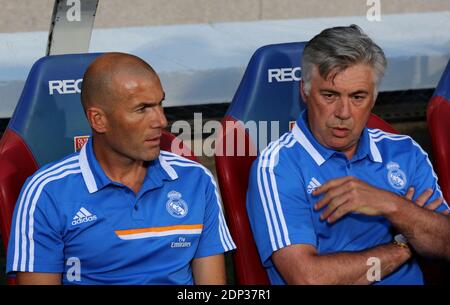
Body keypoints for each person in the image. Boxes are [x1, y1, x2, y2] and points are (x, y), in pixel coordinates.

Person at [6, 52, 236, 285]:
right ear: (98, 120)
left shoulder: (196, 180)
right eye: (142, 109)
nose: (161, 121)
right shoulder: (47, 192)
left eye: (160, 104)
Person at [246, 25, 450, 285]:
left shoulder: (404, 151)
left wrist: (392, 205)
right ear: (305, 92)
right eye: (330, 95)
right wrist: (404, 245)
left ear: (374, 98)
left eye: (357, 97)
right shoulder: (278, 166)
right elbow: (309, 279)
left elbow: (445, 244)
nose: (343, 112)